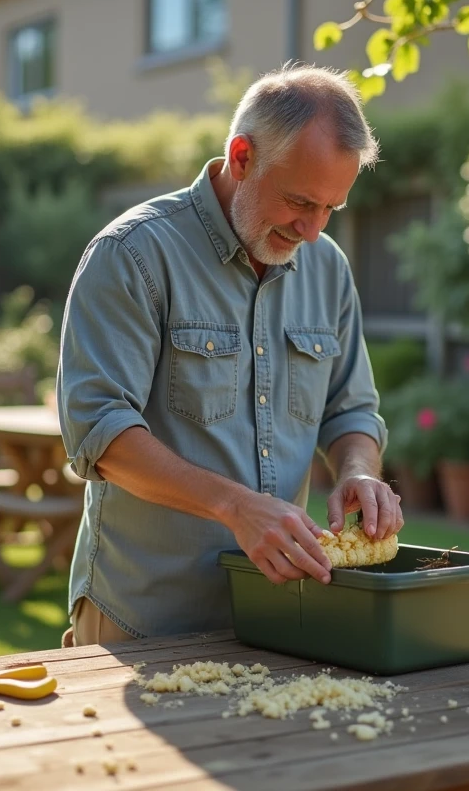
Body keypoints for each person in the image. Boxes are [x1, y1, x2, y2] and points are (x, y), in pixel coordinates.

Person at [57, 63, 402, 648]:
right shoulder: (132, 255)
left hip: (277, 615)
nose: (313, 231)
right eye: (299, 201)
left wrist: (358, 470)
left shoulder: (328, 269)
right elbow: (98, 431)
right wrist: (236, 507)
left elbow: (351, 411)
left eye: (331, 209)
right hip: (143, 619)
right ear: (242, 157)